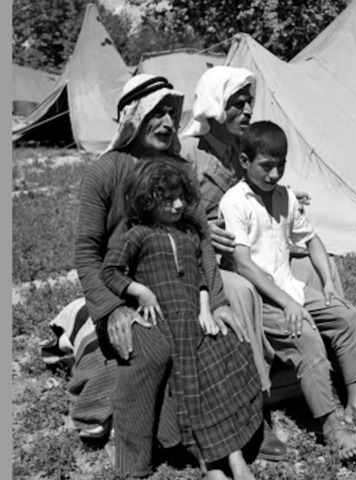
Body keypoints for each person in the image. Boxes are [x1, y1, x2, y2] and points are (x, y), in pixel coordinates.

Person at [74, 74, 249, 477]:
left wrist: (217, 301)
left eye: (172, 113)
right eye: (157, 113)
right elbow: (87, 253)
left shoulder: (177, 170)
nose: (169, 123)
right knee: (149, 354)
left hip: (181, 287)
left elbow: (201, 237)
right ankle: (137, 460)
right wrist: (114, 309)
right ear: (133, 118)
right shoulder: (104, 172)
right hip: (126, 292)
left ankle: (232, 438)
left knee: (221, 340)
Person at [179, 66, 346, 458]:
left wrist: (285, 198)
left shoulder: (243, 148)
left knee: (316, 267)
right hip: (206, 257)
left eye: (249, 101)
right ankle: (256, 413)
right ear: (216, 106)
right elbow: (168, 209)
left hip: (245, 252)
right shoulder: (191, 153)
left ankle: (334, 370)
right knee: (240, 293)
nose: (248, 110)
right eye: (238, 103)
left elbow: (256, 194)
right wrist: (201, 227)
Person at [218, 121, 356, 461]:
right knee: (305, 335)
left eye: (281, 166)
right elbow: (243, 263)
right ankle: (332, 426)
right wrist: (288, 302)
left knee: (346, 316)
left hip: (291, 289)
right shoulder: (235, 202)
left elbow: (312, 239)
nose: (274, 174)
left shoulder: (285, 196)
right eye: (266, 166)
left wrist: (330, 283)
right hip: (261, 299)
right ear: (244, 161)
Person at [101, 159, 262, 480]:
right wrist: (140, 292)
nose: (177, 205)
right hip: (164, 322)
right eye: (166, 199)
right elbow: (110, 271)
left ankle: (234, 455)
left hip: (195, 318)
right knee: (189, 381)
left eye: (180, 197)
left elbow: (201, 274)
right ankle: (210, 463)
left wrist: (206, 308)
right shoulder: (138, 235)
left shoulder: (189, 233)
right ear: (147, 200)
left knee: (229, 347)